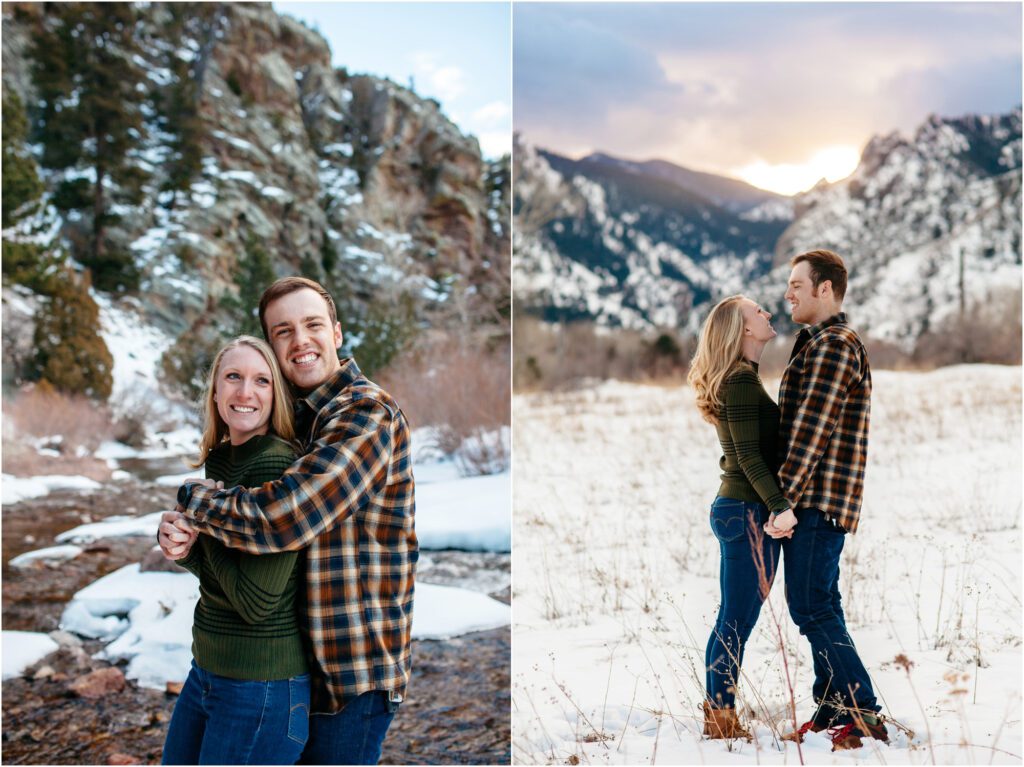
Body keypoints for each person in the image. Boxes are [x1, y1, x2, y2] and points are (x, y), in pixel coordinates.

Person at [159, 277, 417, 765]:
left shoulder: (366, 414)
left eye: (312, 324)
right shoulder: (296, 421)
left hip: (350, 672)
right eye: (283, 331)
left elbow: (282, 521)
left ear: (337, 333)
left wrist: (195, 502)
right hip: (295, 665)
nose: (300, 340)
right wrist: (188, 541)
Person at [162, 336, 309, 765]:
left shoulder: (273, 465)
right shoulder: (222, 458)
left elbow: (255, 601)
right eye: (233, 377)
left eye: (261, 381)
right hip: (207, 671)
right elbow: (223, 570)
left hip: (261, 687)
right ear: (214, 390)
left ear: (275, 394)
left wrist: (203, 521)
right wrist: (182, 544)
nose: (245, 392)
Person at [765, 249, 888, 751]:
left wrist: (782, 501)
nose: (788, 293)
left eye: (798, 284)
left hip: (817, 499)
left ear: (825, 290)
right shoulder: (815, 342)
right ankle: (832, 705)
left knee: (811, 607)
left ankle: (864, 712)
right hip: (817, 499)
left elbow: (809, 434)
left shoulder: (835, 345)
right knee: (821, 602)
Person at [687, 295, 796, 740]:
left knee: (735, 616)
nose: (767, 314)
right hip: (747, 511)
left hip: (741, 509)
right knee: (735, 619)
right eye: (757, 313)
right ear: (743, 329)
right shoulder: (739, 382)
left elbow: (743, 451)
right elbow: (749, 456)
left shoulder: (742, 378)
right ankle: (721, 718)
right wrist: (779, 507)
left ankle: (720, 709)